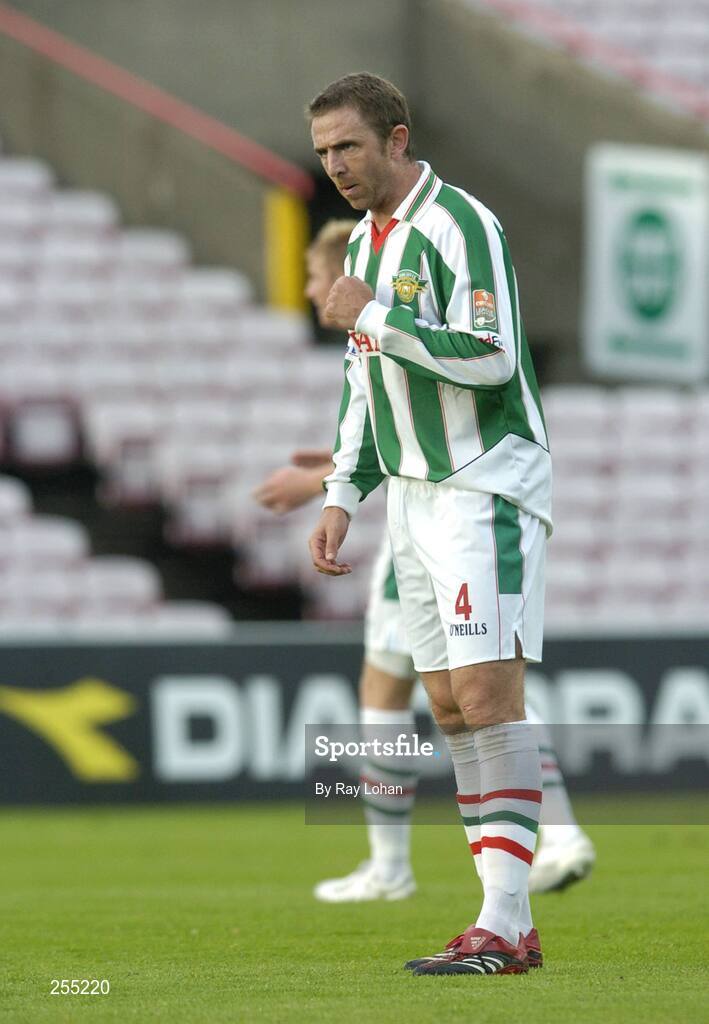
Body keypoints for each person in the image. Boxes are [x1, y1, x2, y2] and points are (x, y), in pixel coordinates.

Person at [255, 220, 594, 906]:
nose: (313, 290)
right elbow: (398, 426)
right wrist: (331, 476)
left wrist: (327, 487)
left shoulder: (413, 282)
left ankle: (402, 864)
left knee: (419, 695)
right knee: (467, 702)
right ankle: (545, 841)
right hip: (417, 521)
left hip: (444, 516)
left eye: (316, 276)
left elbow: (461, 390)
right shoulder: (370, 346)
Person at [306, 71, 553, 976]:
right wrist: (342, 491)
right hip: (412, 496)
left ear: (397, 140)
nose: (335, 165)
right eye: (324, 151)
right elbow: (365, 389)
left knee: (487, 698)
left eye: (350, 147)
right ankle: (502, 921)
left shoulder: (460, 225)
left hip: (481, 481)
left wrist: (375, 313)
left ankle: (506, 924)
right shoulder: (367, 247)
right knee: (448, 706)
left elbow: (490, 359)